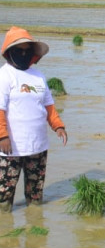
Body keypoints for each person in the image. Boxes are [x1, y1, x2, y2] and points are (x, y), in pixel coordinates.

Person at [0, 27, 68, 212]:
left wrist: (58, 126)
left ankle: (35, 224)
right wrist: (2, 136)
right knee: (4, 196)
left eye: (26, 50)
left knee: (36, 194)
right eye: (18, 51)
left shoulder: (38, 76)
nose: (23, 54)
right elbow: (0, 109)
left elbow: (48, 106)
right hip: (11, 146)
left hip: (38, 145)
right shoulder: (4, 76)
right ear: (9, 53)